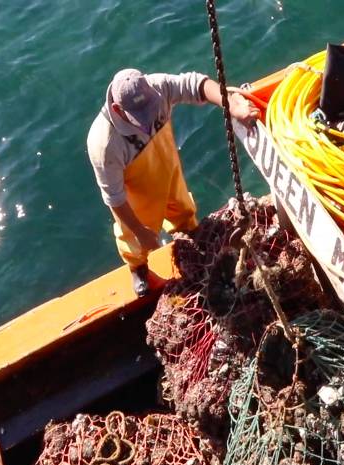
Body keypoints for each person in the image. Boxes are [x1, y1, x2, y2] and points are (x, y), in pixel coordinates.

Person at [87, 69, 259, 297]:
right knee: (133, 237)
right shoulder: (104, 144)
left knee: (184, 209)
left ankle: (192, 238)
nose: (149, 119)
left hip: (167, 169)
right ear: (118, 110)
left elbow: (197, 85)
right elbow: (114, 197)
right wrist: (140, 231)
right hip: (137, 193)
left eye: (150, 109)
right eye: (140, 116)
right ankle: (137, 267)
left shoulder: (157, 87)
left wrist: (232, 106)